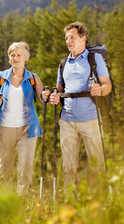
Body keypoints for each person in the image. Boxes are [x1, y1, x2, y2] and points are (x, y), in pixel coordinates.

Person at [45, 21, 111, 188]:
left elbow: (107, 85)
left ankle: (100, 205)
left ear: (83, 39)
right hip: (67, 121)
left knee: (97, 165)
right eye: (66, 38)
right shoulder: (63, 63)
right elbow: (59, 90)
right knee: (68, 168)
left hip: (91, 120)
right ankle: (70, 206)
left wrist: (99, 90)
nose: (68, 41)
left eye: (72, 37)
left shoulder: (95, 59)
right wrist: (53, 97)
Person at [0, 41, 45, 195]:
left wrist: (47, 96)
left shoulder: (33, 78)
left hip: (28, 129)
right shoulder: (1, 77)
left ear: (26, 58)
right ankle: (4, 206)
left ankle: (22, 203)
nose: (16, 58)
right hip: (5, 129)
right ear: (9, 59)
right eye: (12, 55)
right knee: (5, 171)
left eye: (19, 55)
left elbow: (42, 99)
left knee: (26, 168)